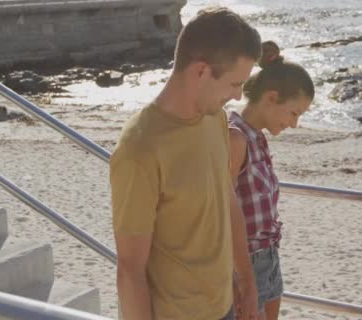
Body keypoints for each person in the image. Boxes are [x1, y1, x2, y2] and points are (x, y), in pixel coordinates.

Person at [109, 7, 262, 320]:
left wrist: (246, 279)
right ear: (201, 71)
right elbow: (130, 270)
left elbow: (226, 197)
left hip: (225, 308)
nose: (238, 96)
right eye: (235, 84)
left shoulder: (215, 119)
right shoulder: (139, 148)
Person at [228, 41, 315, 320]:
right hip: (244, 265)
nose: (294, 124)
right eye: (294, 113)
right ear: (271, 97)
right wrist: (239, 278)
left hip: (268, 259)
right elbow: (221, 214)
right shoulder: (235, 137)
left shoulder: (258, 136)